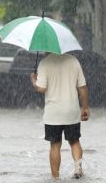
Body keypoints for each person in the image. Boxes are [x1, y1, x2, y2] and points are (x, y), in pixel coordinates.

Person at [30, 52, 90, 180]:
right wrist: (85, 107)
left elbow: (41, 89)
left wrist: (34, 80)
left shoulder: (44, 63)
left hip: (54, 113)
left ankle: (55, 178)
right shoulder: (73, 61)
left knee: (55, 145)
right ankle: (78, 169)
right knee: (74, 142)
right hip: (71, 110)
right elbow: (82, 87)